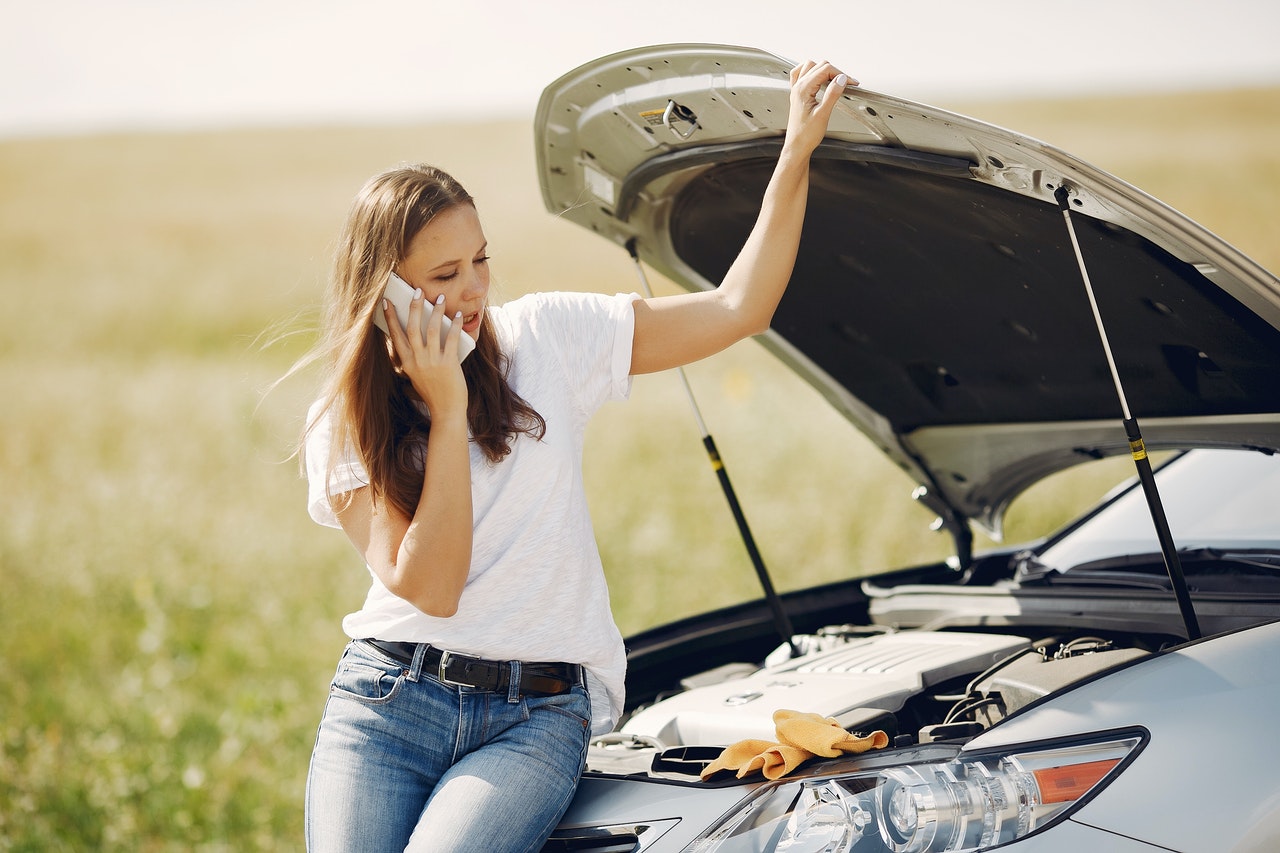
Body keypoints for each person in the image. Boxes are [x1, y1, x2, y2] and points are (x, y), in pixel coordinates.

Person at [301, 59, 851, 853]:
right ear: (383, 294)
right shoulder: (344, 420)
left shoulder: (546, 338)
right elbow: (431, 583)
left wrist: (795, 152)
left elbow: (739, 307)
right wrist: (447, 409)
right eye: (443, 275)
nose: (472, 290)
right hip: (389, 699)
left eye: (480, 261)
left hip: (534, 717)